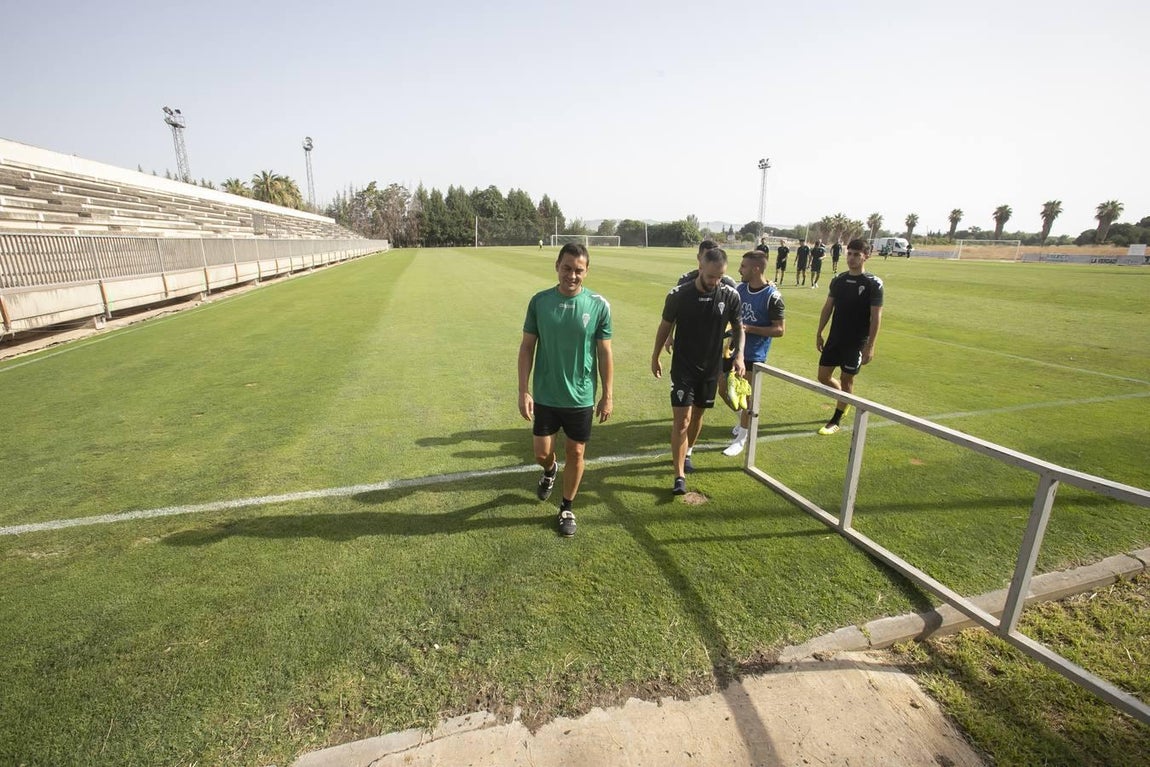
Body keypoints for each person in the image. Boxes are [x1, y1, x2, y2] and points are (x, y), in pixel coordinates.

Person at [518, 243, 614, 537]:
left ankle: (567, 506)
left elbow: (604, 353)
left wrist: (607, 395)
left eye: (579, 270)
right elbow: (527, 348)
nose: (572, 275)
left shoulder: (598, 305)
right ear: (557, 267)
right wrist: (524, 389)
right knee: (541, 452)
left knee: (576, 451)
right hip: (546, 394)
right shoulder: (540, 302)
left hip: (581, 396)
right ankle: (549, 471)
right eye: (567, 268)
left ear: (586, 271)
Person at [652, 248, 744, 495]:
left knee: (698, 415)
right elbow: (664, 327)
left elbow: (738, 327)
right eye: (711, 275)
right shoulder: (679, 295)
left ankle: (689, 451)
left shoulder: (730, 295)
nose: (715, 281)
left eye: (720, 276)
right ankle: (679, 475)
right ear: (700, 266)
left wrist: (740, 355)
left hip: (711, 368)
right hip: (683, 367)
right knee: (682, 420)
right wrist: (655, 356)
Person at [814, 238, 884, 436]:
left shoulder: (873, 283)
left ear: (866, 256)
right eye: (849, 253)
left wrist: (870, 346)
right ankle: (845, 401)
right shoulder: (839, 280)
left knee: (847, 380)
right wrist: (819, 332)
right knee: (823, 377)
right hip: (834, 338)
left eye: (856, 254)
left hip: (856, 342)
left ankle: (836, 418)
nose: (851, 258)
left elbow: (876, 316)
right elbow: (828, 307)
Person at [722, 251, 785, 457]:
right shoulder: (740, 289)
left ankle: (742, 439)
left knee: (746, 397)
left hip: (754, 354)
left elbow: (779, 330)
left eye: (743, 266)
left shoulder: (773, 297)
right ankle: (745, 419)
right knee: (723, 390)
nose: (739, 270)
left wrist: (749, 328)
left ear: (756, 268)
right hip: (733, 350)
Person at [665, 239, 738, 353]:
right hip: (687, 342)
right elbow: (674, 313)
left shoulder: (728, 284)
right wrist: (669, 335)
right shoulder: (686, 280)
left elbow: (736, 316)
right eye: (708, 256)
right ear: (699, 257)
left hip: (715, 347)